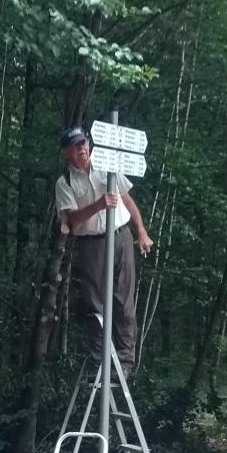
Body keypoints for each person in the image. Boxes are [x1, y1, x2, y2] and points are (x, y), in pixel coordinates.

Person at [54, 126, 153, 379]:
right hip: (91, 244)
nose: (82, 149)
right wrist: (98, 205)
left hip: (120, 237)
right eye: (75, 146)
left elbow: (126, 198)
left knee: (124, 301)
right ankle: (101, 358)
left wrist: (141, 230)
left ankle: (125, 362)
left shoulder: (106, 164)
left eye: (83, 143)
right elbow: (71, 219)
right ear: (67, 152)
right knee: (93, 302)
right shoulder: (65, 181)